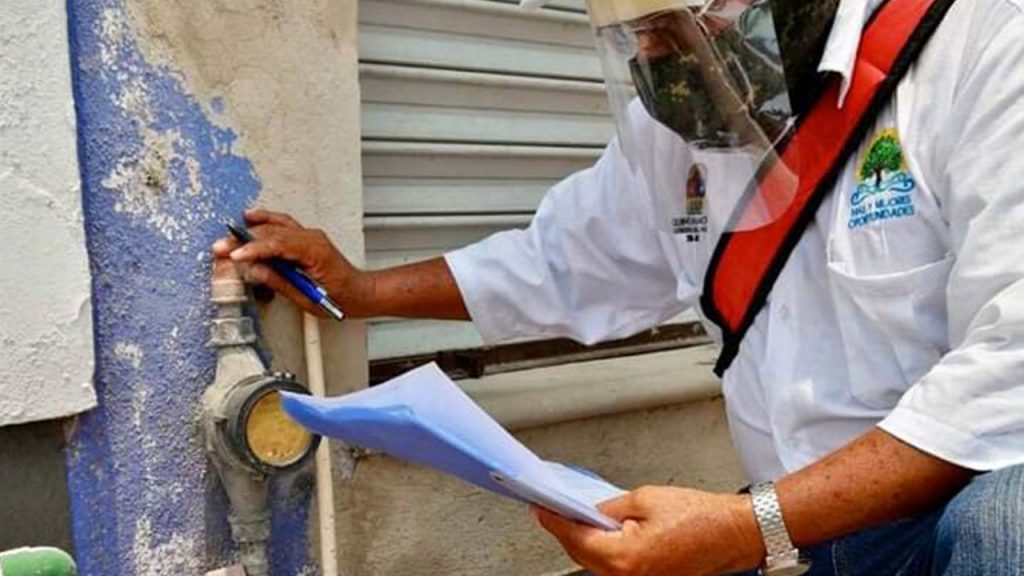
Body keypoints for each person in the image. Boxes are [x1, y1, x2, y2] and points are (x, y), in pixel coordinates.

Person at [213, 0, 1024, 574]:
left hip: (933, 528)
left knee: (1008, 517)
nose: (660, 57)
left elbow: (1008, 373)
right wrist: (361, 289)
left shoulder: (985, 42)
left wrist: (747, 527)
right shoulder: (691, 107)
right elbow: (562, 263)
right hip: (792, 537)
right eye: (638, 35)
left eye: (679, 27)